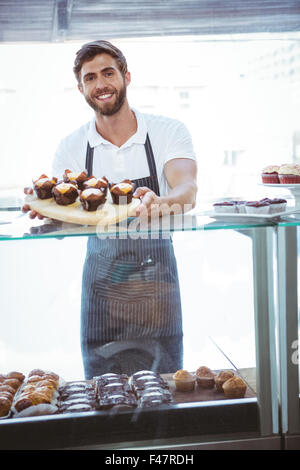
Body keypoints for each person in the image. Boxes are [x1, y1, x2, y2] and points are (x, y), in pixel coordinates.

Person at [24, 40, 197, 379]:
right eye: (90, 78)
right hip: (101, 289)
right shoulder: (72, 147)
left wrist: (160, 203)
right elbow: (67, 212)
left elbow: (187, 191)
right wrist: (45, 210)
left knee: (161, 390)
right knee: (103, 395)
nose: (100, 84)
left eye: (108, 73)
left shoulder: (167, 131)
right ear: (81, 88)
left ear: (126, 77)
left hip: (156, 284)